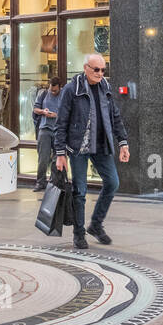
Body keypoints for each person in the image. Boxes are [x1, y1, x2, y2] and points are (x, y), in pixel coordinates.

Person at [54, 53, 129, 250]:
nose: (100, 73)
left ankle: (95, 224)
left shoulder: (105, 87)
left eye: (103, 70)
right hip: (78, 147)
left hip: (101, 145)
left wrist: (123, 142)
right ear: (86, 68)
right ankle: (79, 234)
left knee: (112, 183)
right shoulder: (72, 89)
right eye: (96, 69)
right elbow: (60, 123)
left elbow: (115, 116)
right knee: (80, 191)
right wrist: (60, 153)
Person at [32, 77, 63, 192]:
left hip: (59, 130)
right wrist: (43, 112)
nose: (52, 92)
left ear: (60, 87)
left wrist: (57, 115)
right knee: (43, 158)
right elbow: (35, 109)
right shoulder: (43, 93)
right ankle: (40, 182)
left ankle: (55, 182)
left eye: (55, 90)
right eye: (51, 90)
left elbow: (69, 111)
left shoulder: (64, 95)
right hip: (44, 129)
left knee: (57, 158)